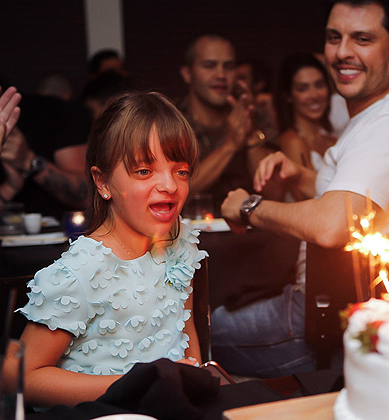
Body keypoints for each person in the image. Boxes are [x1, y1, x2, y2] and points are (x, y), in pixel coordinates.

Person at [213, 0, 389, 377]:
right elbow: (360, 194)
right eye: (334, 38)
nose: (342, 53)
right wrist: (300, 176)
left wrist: (248, 207)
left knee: (195, 330)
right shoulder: (381, 110)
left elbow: (331, 225)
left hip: (336, 319)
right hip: (335, 307)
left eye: (363, 39)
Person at [17, 91, 207, 407]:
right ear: (103, 182)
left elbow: (186, 337)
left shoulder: (180, 243)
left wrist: (192, 384)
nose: (170, 185)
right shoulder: (81, 271)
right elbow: (25, 376)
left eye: (180, 170)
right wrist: (139, 384)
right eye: (145, 171)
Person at [178, 34, 274, 215]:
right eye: (209, 66)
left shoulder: (253, 115)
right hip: (188, 236)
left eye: (228, 67)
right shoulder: (170, 120)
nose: (221, 75)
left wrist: (251, 135)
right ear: (187, 74)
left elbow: (275, 195)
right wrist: (230, 145)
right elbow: (177, 191)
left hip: (249, 232)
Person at [0, 92, 91, 219]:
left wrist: (28, 160)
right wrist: (9, 188)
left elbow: (89, 195)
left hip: (61, 234)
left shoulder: (53, 112)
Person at [275, 53, 337, 200]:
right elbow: (303, 200)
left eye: (319, 85)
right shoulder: (292, 141)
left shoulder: (334, 140)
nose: (314, 95)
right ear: (289, 96)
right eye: (303, 89)